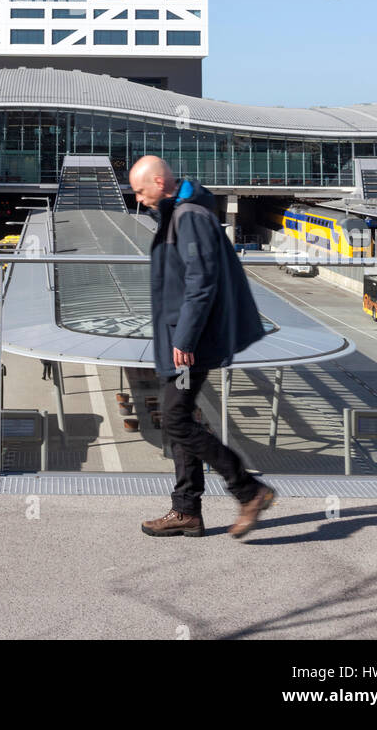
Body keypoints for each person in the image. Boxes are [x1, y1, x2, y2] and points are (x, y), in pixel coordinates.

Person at [129, 156, 276, 540]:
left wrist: (185, 338)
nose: (137, 197)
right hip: (178, 339)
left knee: (177, 420)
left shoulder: (190, 216)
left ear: (160, 182)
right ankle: (186, 511)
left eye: (141, 190)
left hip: (187, 345)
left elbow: (202, 281)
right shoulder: (178, 212)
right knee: (181, 422)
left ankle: (248, 490)